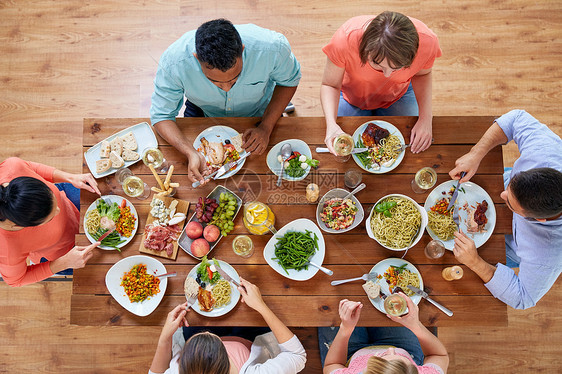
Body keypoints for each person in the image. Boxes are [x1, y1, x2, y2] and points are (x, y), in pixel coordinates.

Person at [150, 18, 301, 184]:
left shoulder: (273, 48)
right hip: (202, 111)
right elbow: (161, 116)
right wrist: (190, 152)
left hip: (261, 110)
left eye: (234, 79)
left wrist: (266, 127)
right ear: (196, 58)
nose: (227, 88)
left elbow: (289, 82)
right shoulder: (174, 63)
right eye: (214, 81)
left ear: (242, 50)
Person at [449, 109, 562, 309]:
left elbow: (523, 298)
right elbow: (515, 118)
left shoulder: (549, 252)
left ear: (540, 220)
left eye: (509, 202)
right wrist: (475, 154)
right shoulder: (546, 153)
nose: (501, 196)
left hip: (508, 246)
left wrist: (475, 262)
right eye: (509, 189)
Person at [321, 11, 442, 155]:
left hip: (398, 95)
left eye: (396, 68)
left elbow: (423, 75)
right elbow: (330, 85)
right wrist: (331, 125)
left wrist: (426, 119)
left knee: (410, 138)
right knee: (344, 140)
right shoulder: (345, 40)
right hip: (351, 97)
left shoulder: (427, 42)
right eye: (378, 64)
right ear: (365, 49)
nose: (387, 75)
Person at [149, 277, 306, 374]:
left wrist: (165, 338)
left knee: (195, 321)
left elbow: (155, 373)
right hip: (251, 340)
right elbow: (297, 356)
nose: (210, 332)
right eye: (214, 338)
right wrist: (261, 306)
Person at [0, 157, 101, 287]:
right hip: (62, 253)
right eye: (51, 217)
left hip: (69, 200)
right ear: (19, 226)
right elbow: (16, 280)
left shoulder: (13, 167)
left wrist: (70, 177)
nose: (58, 209)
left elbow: (32, 167)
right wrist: (65, 262)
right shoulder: (7, 250)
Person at [320, 297, 448, 374]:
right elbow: (438, 355)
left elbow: (332, 365)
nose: (392, 350)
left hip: (349, 354)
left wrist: (345, 329)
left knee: (330, 304)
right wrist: (415, 326)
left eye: (385, 356)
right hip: (404, 346)